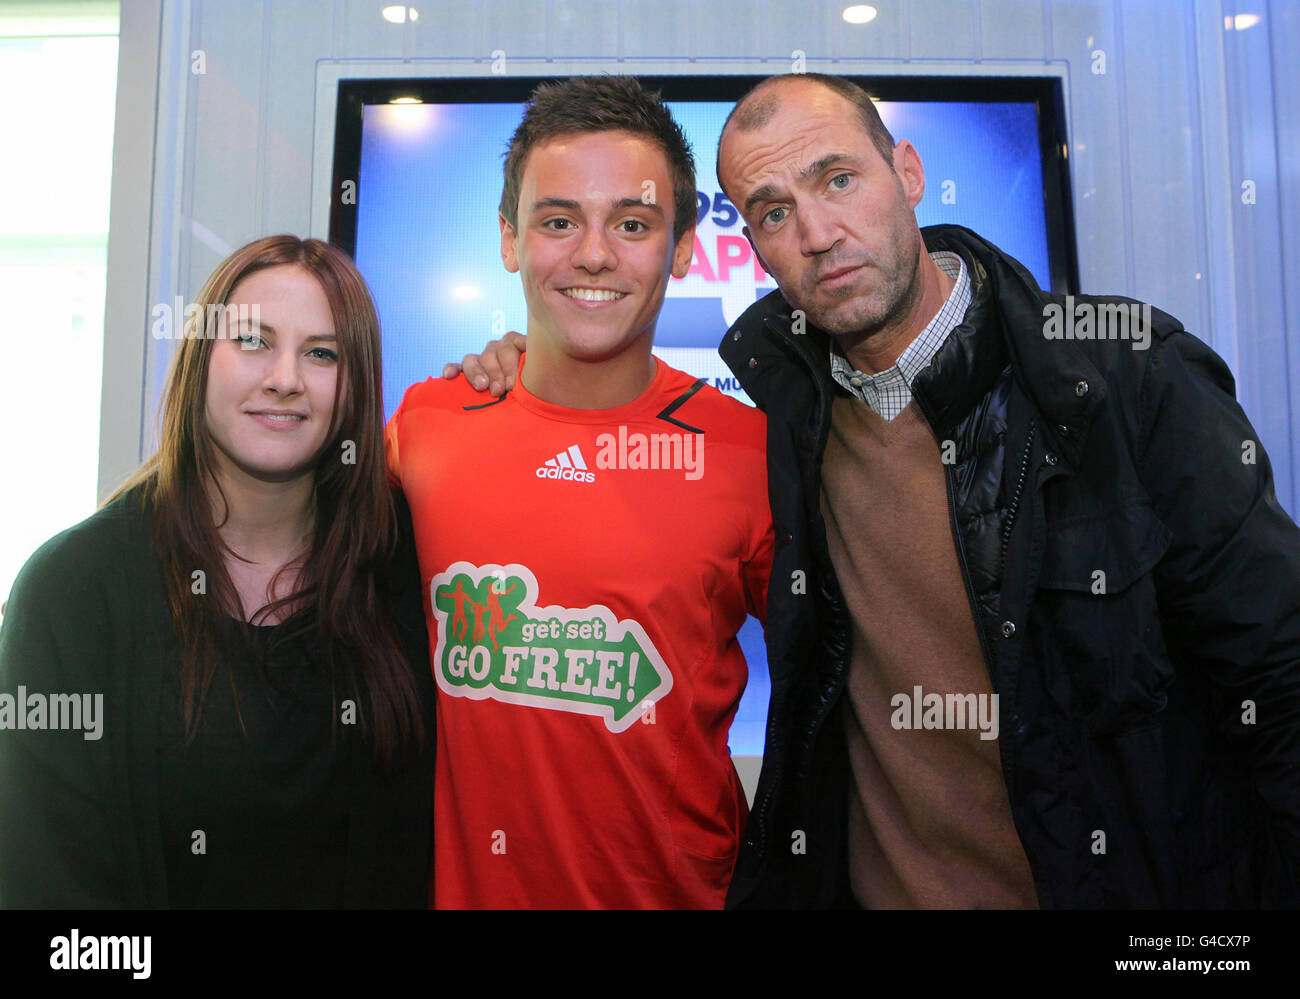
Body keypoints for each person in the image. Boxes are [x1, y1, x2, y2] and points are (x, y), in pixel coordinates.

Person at [455, 72, 1300, 909]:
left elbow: (1281, 679)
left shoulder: (1124, 379)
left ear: (909, 172)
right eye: (775, 211)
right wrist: (519, 370)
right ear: (752, 246)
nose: (818, 233)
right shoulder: (786, 428)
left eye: (838, 179)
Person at [385, 75, 773, 909]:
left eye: (632, 224)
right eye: (559, 220)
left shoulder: (748, 452)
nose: (594, 254)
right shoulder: (425, 425)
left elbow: (853, 690)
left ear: (680, 248)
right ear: (509, 238)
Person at [0, 235, 434, 908]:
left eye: (322, 352)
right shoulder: (74, 590)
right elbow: (47, 892)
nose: (285, 377)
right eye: (253, 341)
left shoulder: (400, 559)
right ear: (201, 359)